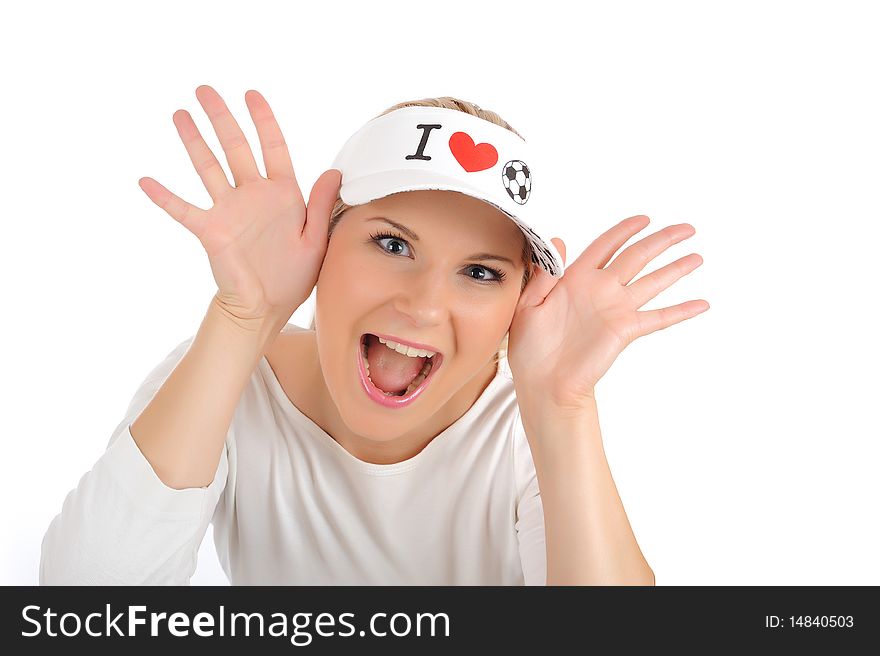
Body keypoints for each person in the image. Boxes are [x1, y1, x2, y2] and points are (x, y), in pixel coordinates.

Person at [40, 85, 707, 585]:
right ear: (320, 242)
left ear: (520, 301)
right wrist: (241, 318)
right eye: (391, 243)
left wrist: (563, 409)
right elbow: (86, 608)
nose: (422, 305)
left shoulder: (526, 428)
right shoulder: (226, 376)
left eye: (479, 271)